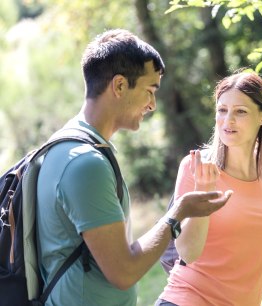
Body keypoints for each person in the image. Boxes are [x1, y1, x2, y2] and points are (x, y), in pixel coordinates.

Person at [35, 29, 232, 306]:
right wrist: (177, 214)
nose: (152, 104)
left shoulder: (70, 147)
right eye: (149, 90)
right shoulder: (85, 163)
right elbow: (124, 271)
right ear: (119, 86)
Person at [155, 71, 262, 305]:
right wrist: (203, 189)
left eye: (240, 111)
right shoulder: (195, 167)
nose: (227, 121)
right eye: (222, 110)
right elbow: (187, 252)